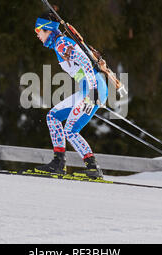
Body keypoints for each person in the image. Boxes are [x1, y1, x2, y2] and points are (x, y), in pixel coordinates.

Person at [33, 11, 108, 179]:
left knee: (70, 130)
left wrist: (92, 92)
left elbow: (86, 64)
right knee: (53, 117)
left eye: (38, 31)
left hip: (92, 88)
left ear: (48, 30)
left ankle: (92, 168)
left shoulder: (61, 44)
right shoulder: (59, 44)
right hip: (89, 88)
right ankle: (59, 162)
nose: (37, 35)